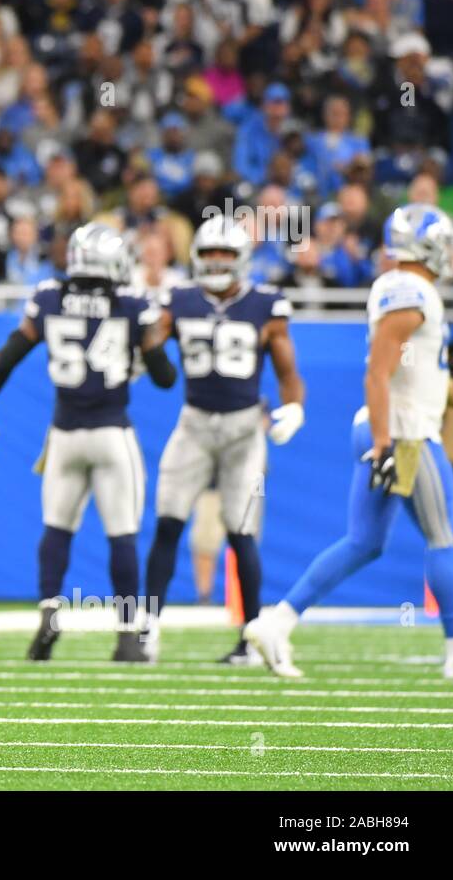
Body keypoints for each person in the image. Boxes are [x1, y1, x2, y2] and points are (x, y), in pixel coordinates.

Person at [246, 205, 453, 679]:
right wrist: (384, 442)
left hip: (389, 425)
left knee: (364, 542)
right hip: (403, 431)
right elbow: (378, 373)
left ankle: (277, 622)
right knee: (445, 537)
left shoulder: (399, 287)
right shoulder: (411, 291)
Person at [0, 223, 178, 662]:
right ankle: (126, 636)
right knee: (121, 535)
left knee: (56, 528)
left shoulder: (48, 296)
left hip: (64, 435)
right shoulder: (133, 304)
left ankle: (49, 613)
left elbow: (3, 360)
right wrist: (147, 348)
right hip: (111, 434)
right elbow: (165, 379)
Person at [142, 215, 306, 664]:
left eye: (225, 254)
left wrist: (294, 407)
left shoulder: (266, 304)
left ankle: (249, 640)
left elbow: (288, 372)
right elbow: (150, 348)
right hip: (193, 424)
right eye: (209, 253)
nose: (216, 261)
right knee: (168, 521)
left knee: (241, 531)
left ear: (242, 259)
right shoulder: (178, 300)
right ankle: (146, 631)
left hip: (242, 429)